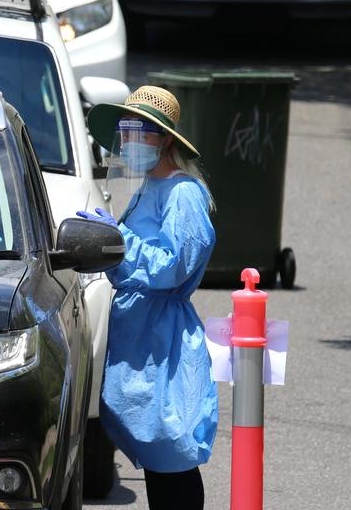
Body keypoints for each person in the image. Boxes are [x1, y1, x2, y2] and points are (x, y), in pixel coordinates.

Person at [81, 86, 218, 510]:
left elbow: (172, 265)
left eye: (140, 130)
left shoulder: (183, 193)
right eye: (125, 130)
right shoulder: (148, 187)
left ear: (165, 139)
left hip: (164, 338)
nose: (129, 140)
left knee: (171, 450)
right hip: (141, 334)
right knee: (159, 459)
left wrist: (117, 237)